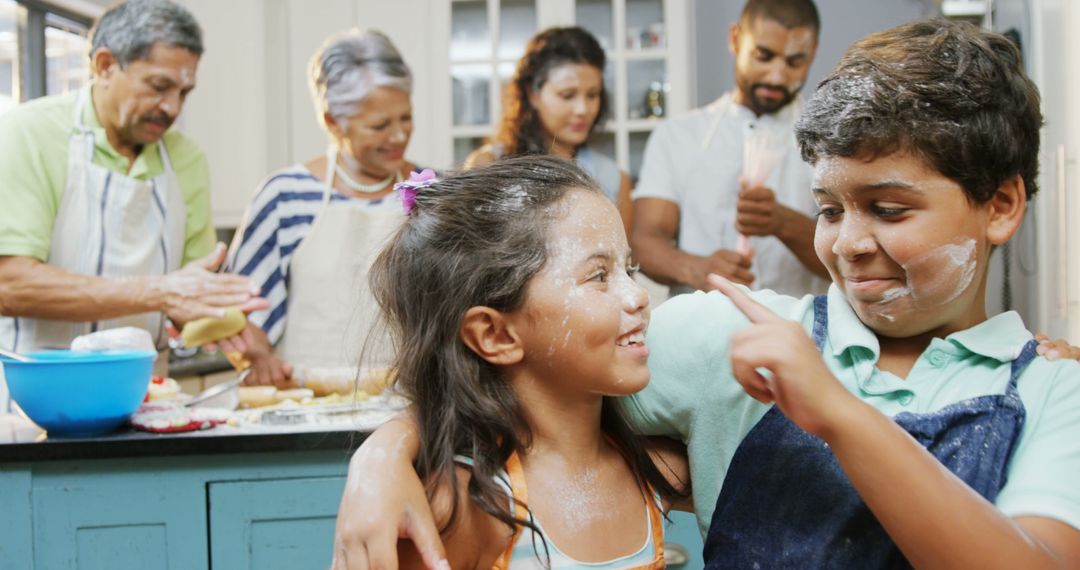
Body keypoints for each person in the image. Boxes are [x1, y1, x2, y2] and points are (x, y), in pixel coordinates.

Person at [332, 19, 1080, 569]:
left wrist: (838, 415)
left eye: (888, 209)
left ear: (1001, 205)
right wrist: (383, 454)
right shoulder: (726, 335)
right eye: (827, 209)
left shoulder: (1054, 390)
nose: (848, 242)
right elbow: (516, 388)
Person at [336, 155, 687, 569]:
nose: (638, 295)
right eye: (598, 276)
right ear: (495, 335)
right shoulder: (468, 509)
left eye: (629, 268)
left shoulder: (656, 470)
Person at [0, 0, 263, 403]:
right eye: (159, 87)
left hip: (145, 403)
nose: (172, 107)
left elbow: (189, 297)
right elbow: (10, 284)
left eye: (184, 92)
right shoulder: (29, 134)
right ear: (105, 65)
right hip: (31, 410)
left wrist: (241, 333)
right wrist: (160, 292)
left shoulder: (186, 160)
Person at [223, 30, 417, 387]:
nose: (398, 136)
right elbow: (241, 311)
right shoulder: (285, 195)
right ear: (331, 121)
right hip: (303, 402)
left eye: (405, 118)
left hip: (410, 407)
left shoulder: (431, 194)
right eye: (379, 125)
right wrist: (257, 356)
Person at [632, 0, 827, 296]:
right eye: (764, 56)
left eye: (794, 62)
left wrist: (784, 223)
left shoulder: (833, 142)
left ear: (813, 54)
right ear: (735, 39)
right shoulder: (677, 136)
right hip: (699, 333)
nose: (777, 76)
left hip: (798, 334)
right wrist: (695, 268)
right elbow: (644, 242)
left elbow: (853, 260)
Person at [465, 27, 634, 235]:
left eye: (592, 95)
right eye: (567, 95)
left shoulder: (613, 179)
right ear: (533, 94)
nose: (583, 109)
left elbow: (620, 263)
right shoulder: (488, 164)